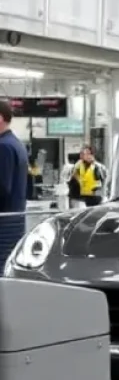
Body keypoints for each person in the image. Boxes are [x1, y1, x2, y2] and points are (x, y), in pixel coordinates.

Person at [0, 99, 29, 270]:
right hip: (15, 222)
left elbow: (2, 187)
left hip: (3, 225)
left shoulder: (3, 147)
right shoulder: (17, 144)